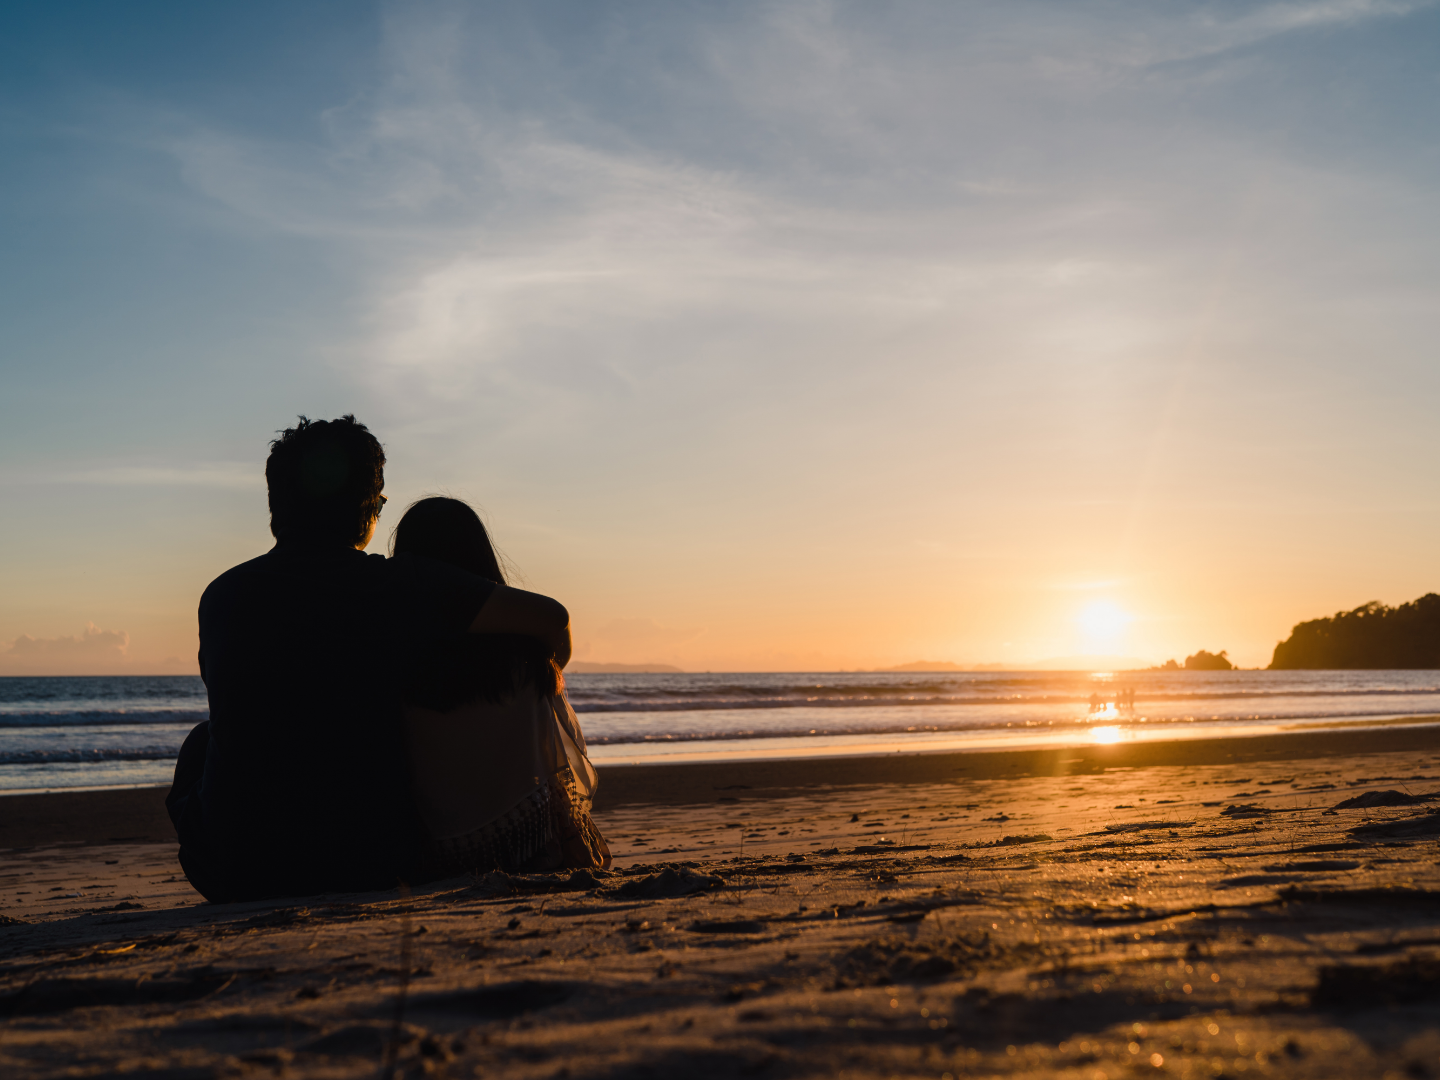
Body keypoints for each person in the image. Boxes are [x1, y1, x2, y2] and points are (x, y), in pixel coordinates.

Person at [166, 416, 572, 902]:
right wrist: (544, 685)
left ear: (276, 506)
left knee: (203, 740)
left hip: (231, 869)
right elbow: (552, 619)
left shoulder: (222, 595)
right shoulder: (398, 585)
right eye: (379, 501)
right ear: (366, 508)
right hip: (367, 862)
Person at [392, 497, 610, 877]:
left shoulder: (394, 652)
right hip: (526, 840)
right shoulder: (523, 657)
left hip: (433, 845)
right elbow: (559, 633)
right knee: (543, 680)